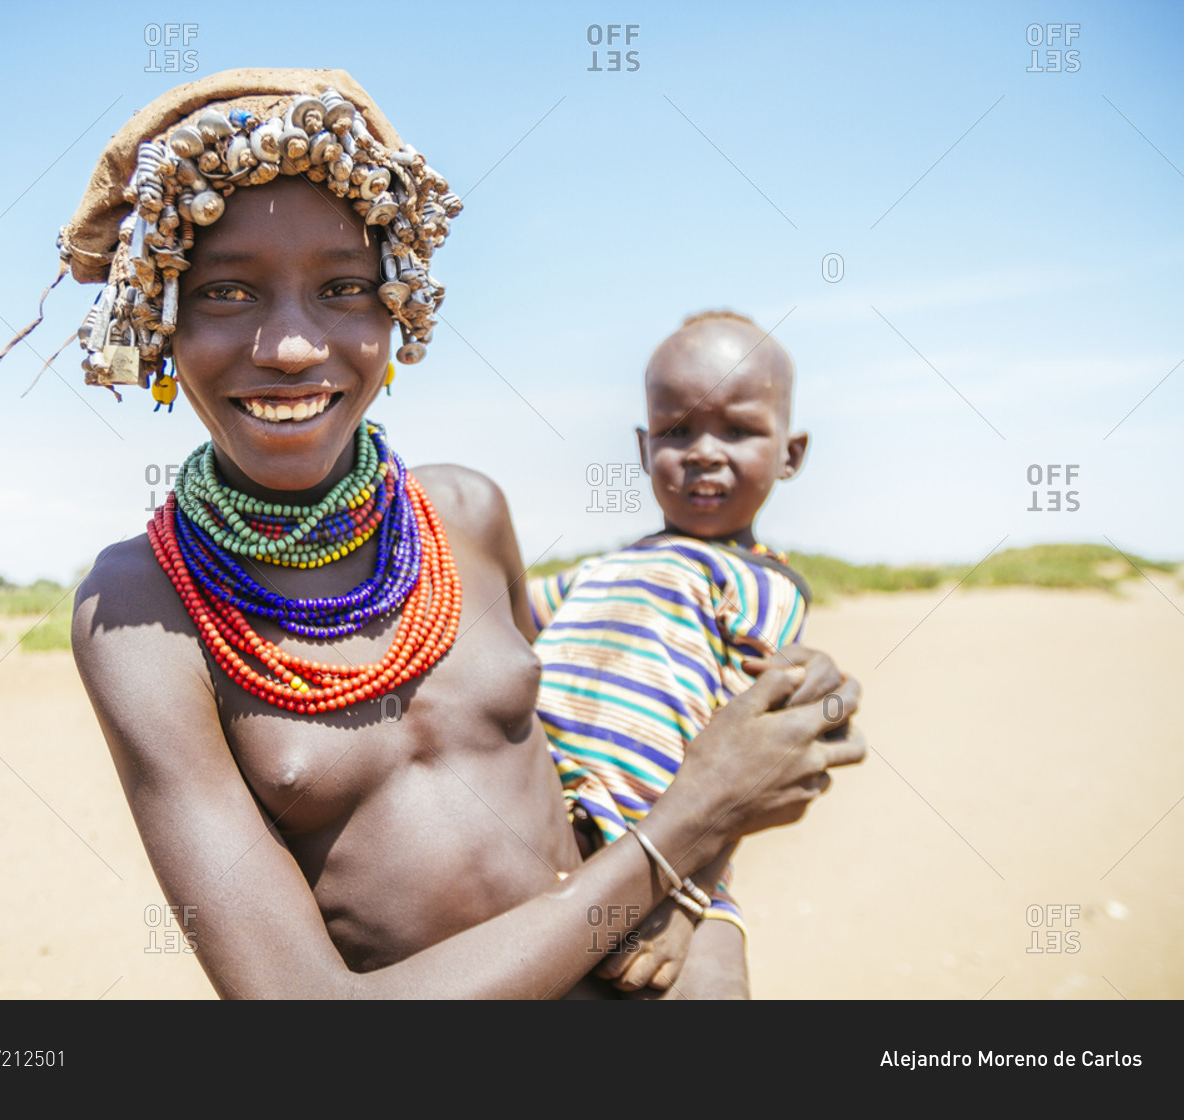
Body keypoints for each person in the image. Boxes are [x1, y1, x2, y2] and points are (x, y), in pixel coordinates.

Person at [52, 69, 863, 998]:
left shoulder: (468, 518)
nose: (289, 347)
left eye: (344, 287)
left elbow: (609, 738)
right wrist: (691, 822)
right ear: (159, 318)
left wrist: (711, 878)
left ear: (396, 311)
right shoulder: (141, 613)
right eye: (228, 293)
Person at [528, 310, 816, 996]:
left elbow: (749, 768)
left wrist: (688, 903)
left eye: (739, 430)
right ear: (642, 447)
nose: (704, 452)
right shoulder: (593, 573)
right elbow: (488, 624)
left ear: (790, 453)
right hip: (536, 831)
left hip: (673, 864)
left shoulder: (764, 588)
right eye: (677, 430)